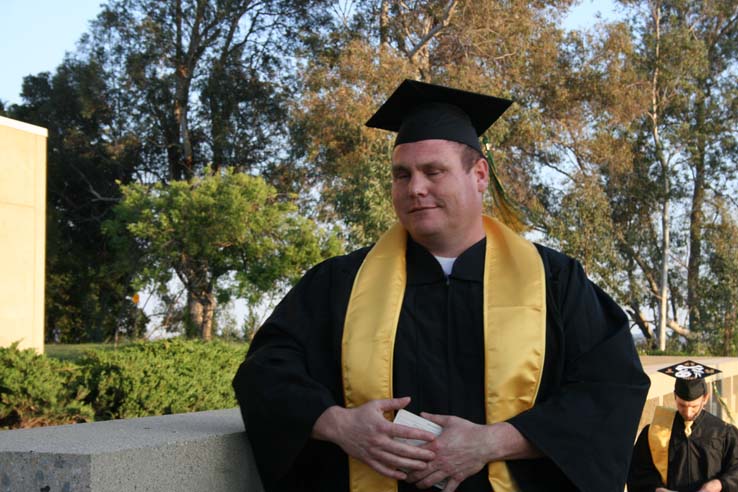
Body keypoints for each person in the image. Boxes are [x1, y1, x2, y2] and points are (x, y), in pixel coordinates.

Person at [232, 79, 650, 492]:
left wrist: (493, 442)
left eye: (434, 171)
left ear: (480, 174)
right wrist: (338, 424)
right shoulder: (340, 283)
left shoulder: (554, 282)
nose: (415, 188)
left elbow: (610, 389)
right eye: (402, 175)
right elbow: (265, 372)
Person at [628, 360, 738, 492]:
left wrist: (718, 484)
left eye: (694, 406)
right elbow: (638, 471)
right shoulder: (656, 431)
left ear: (705, 398)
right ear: (675, 396)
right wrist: (657, 489)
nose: (688, 412)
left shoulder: (722, 432)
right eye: (682, 405)